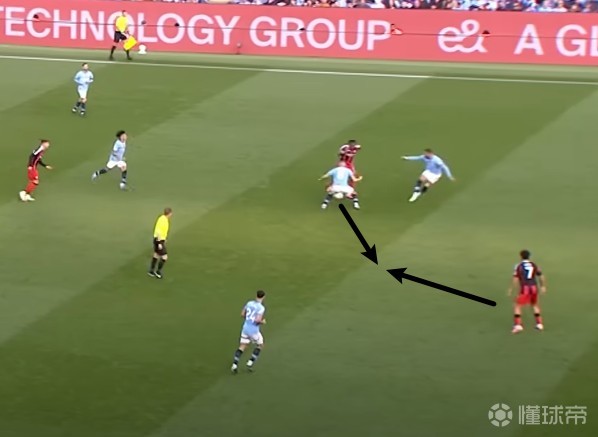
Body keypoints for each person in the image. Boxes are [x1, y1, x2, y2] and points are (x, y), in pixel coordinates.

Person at [508, 250, 547, 334]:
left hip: (525, 288)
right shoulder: (534, 265)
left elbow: (515, 278)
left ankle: (518, 325)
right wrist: (543, 286)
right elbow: (541, 276)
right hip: (534, 287)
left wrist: (512, 289)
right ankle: (539, 324)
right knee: (534, 304)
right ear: (529, 256)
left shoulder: (518, 266)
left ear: (521, 256)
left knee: (517, 305)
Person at [231, 290, 267, 374]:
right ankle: (250, 362)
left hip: (245, 328)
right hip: (253, 331)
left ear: (256, 295)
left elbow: (242, 314)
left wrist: (248, 320)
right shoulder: (261, 308)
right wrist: (262, 322)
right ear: (263, 297)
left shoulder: (249, 303)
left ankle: (234, 365)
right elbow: (257, 320)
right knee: (260, 345)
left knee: (242, 346)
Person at [148, 208, 173, 279]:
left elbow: (163, 231)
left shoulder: (162, 218)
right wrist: (159, 243)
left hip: (159, 239)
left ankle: (151, 271)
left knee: (156, 254)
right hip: (158, 240)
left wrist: (164, 239)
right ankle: (158, 272)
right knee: (164, 257)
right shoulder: (163, 220)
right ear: (169, 213)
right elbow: (158, 231)